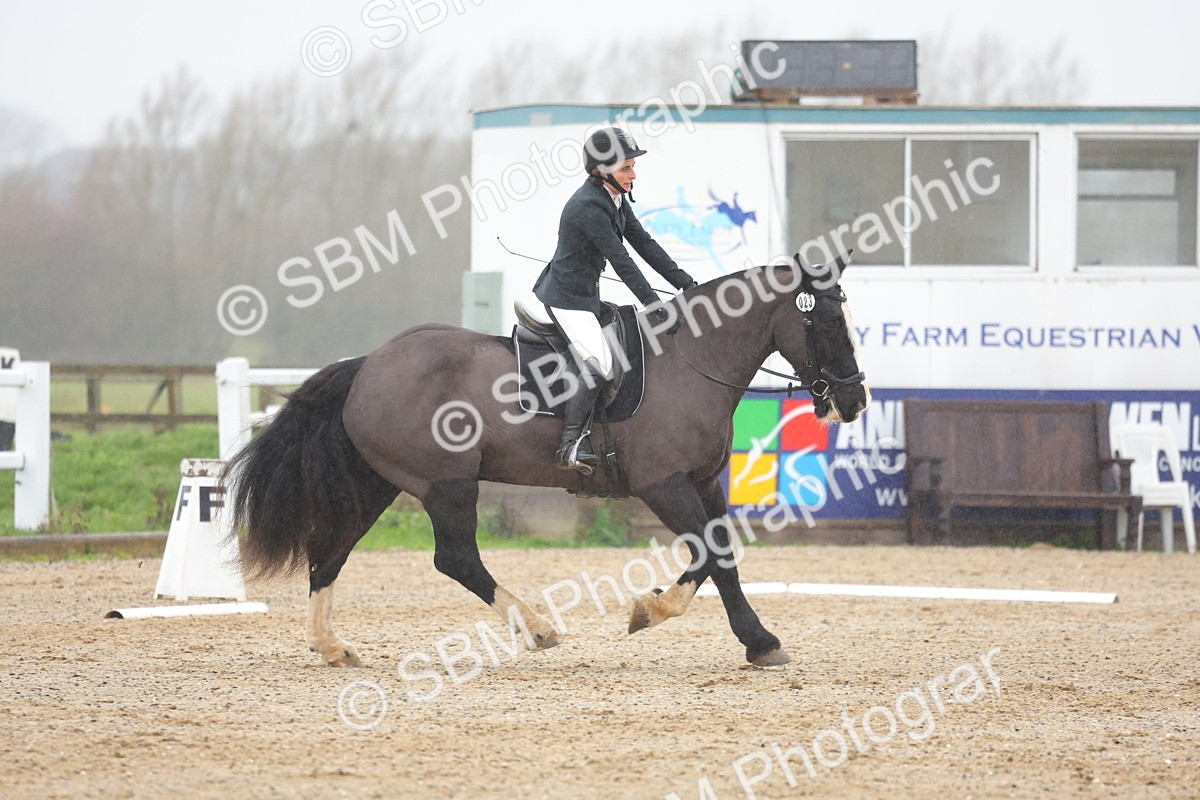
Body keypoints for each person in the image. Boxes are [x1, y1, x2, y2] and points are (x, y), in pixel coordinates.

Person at [532, 126, 698, 471]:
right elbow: (623, 263)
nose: (633, 174)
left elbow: (645, 244)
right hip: (566, 300)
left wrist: (686, 283)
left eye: (633, 166)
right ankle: (569, 444)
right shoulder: (587, 208)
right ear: (601, 170)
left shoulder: (615, 197)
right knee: (600, 363)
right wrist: (654, 306)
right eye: (626, 168)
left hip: (586, 297)